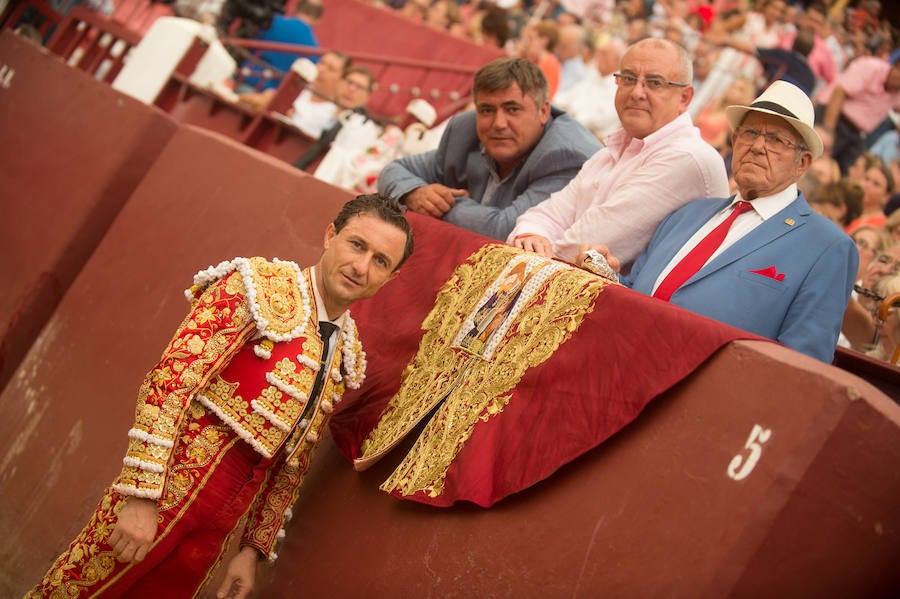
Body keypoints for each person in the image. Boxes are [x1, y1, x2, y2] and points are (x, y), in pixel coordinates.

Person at [28, 194, 414, 599]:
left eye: (380, 261)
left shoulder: (345, 353)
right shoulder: (258, 286)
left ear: (390, 279)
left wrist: (252, 550)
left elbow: (292, 461)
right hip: (166, 490)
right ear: (330, 234)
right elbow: (171, 382)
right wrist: (141, 496)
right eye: (357, 245)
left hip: (222, 521)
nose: (361, 267)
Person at [583, 81, 858, 363]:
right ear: (735, 143)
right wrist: (605, 273)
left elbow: (802, 368)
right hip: (620, 369)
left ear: (803, 163)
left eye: (777, 140)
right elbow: (638, 292)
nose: (758, 146)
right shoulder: (688, 214)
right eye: (750, 133)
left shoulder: (826, 247)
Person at [508, 37, 729, 269]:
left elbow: (582, 247)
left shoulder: (686, 157)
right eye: (629, 79)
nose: (636, 92)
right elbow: (549, 212)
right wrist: (529, 236)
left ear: (684, 98)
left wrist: (536, 250)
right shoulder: (617, 147)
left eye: (654, 83)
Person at [377, 56, 600, 240]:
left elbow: (505, 230)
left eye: (512, 109)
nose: (498, 123)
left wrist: (438, 203)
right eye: (486, 110)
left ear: (543, 112)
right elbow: (394, 170)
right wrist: (414, 192)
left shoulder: (568, 156)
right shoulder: (464, 129)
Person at [820, 51, 900, 176]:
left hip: (857, 135)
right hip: (834, 118)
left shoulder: (897, 93)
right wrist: (827, 130)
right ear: (896, 66)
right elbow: (840, 92)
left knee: (845, 174)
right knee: (816, 162)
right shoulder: (871, 67)